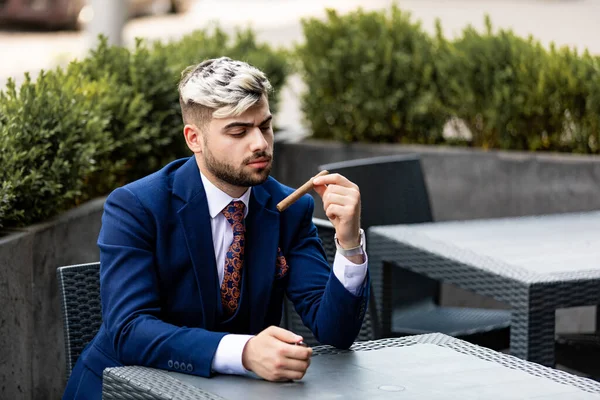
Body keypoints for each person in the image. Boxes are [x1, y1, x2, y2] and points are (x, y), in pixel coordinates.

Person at [63, 57, 369, 399]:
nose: (260, 144)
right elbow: (129, 329)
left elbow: (335, 332)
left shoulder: (289, 208)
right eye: (238, 131)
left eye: (265, 126)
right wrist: (244, 352)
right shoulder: (137, 206)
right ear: (194, 138)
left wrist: (349, 243)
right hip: (126, 389)